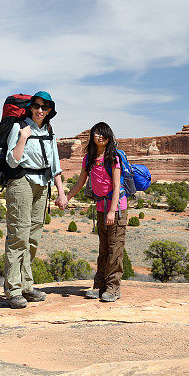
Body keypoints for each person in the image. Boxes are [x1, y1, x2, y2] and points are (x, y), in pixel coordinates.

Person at [3, 91, 67, 309]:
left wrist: (61, 192)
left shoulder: (49, 131)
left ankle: (26, 285)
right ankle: (13, 289)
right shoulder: (19, 127)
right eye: (37, 106)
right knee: (18, 235)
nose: (41, 110)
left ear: (50, 110)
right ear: (31, 107)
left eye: (45, 107)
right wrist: (23, 137)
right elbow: (12, 161)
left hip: (42, 184)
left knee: (33, 236)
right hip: (21, 181)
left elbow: (55, 165)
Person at [66, 122, 127, 302]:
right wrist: (66, 197)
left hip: (116, 209)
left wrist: (112, 211)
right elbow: (79, 184)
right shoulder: (89, 159)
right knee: (103, 249)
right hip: (101, 207)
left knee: (115, 249)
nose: (99, 136)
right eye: (96, 133)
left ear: (109, 137)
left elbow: (116, 186)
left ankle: (113, 288)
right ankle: (99, 286)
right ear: (92, 136)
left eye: (103, 133)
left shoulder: (113, 157)